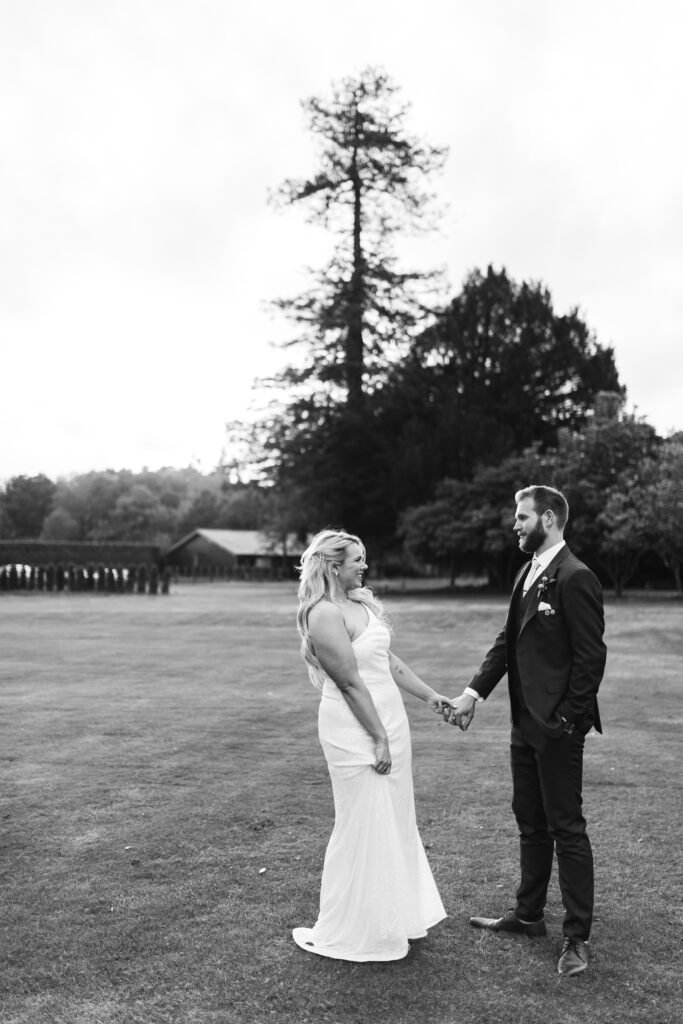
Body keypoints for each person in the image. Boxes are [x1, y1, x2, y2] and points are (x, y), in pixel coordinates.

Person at [445, 485, 606, 977]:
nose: (514, 525)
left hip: (556, 729)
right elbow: (506, 642)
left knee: (566, 827)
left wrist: (566, 721)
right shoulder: (526, 571)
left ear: (550, 519)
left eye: (522, 517)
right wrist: (473, 694)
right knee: (530, 822)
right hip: (522, 726)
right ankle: (529, 914)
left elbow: (590, 658)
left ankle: (576, 937)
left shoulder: (576, 577)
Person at [292, 528, 451, 962]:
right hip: (353, 727)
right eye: (357, 559)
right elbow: (347, 680)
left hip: (390, 720)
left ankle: (394, 917)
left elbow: (388, 662)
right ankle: (359, 929)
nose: (364, 565)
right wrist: (377, 737)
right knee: (363, 817)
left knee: (395, 816)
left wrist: (430, 695)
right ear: (332, 565)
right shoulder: (323, 613)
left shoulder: (360, 604)